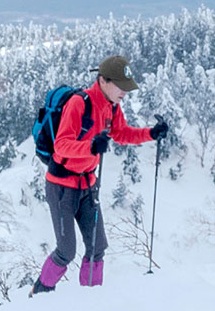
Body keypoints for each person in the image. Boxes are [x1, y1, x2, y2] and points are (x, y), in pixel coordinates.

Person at [32, 55, 170, 293]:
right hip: (61, 187)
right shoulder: (79, 103)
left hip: (88, 185)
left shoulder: (112, 105)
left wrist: (151, 133)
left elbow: (122, 133)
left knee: (97, 247)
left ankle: (92, 297)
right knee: (66, 251)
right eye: (121, 86)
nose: (125, 93)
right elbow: (61, 146)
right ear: (103, 81)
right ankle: (40, 293)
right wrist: (90, 146)